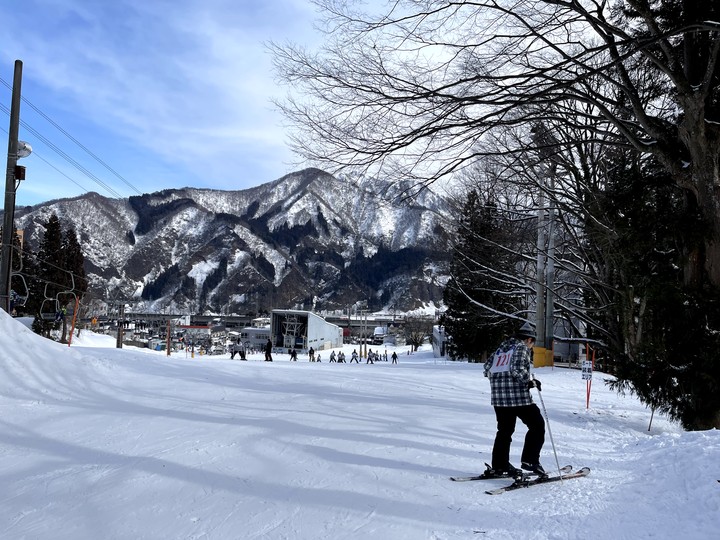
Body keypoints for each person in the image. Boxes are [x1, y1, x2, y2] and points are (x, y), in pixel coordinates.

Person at [483, 323, 545, 478]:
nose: (531, 347)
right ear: (529, 339)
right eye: (532, 344)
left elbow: (486, 369)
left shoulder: (500, 349)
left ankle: (500, 465)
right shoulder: (521, 347)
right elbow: (517, 370)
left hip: (499, 399)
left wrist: (500, 383)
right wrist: (530, 382)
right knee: (537, 425)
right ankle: (530, 460)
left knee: (504, 432)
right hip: (518, 398)